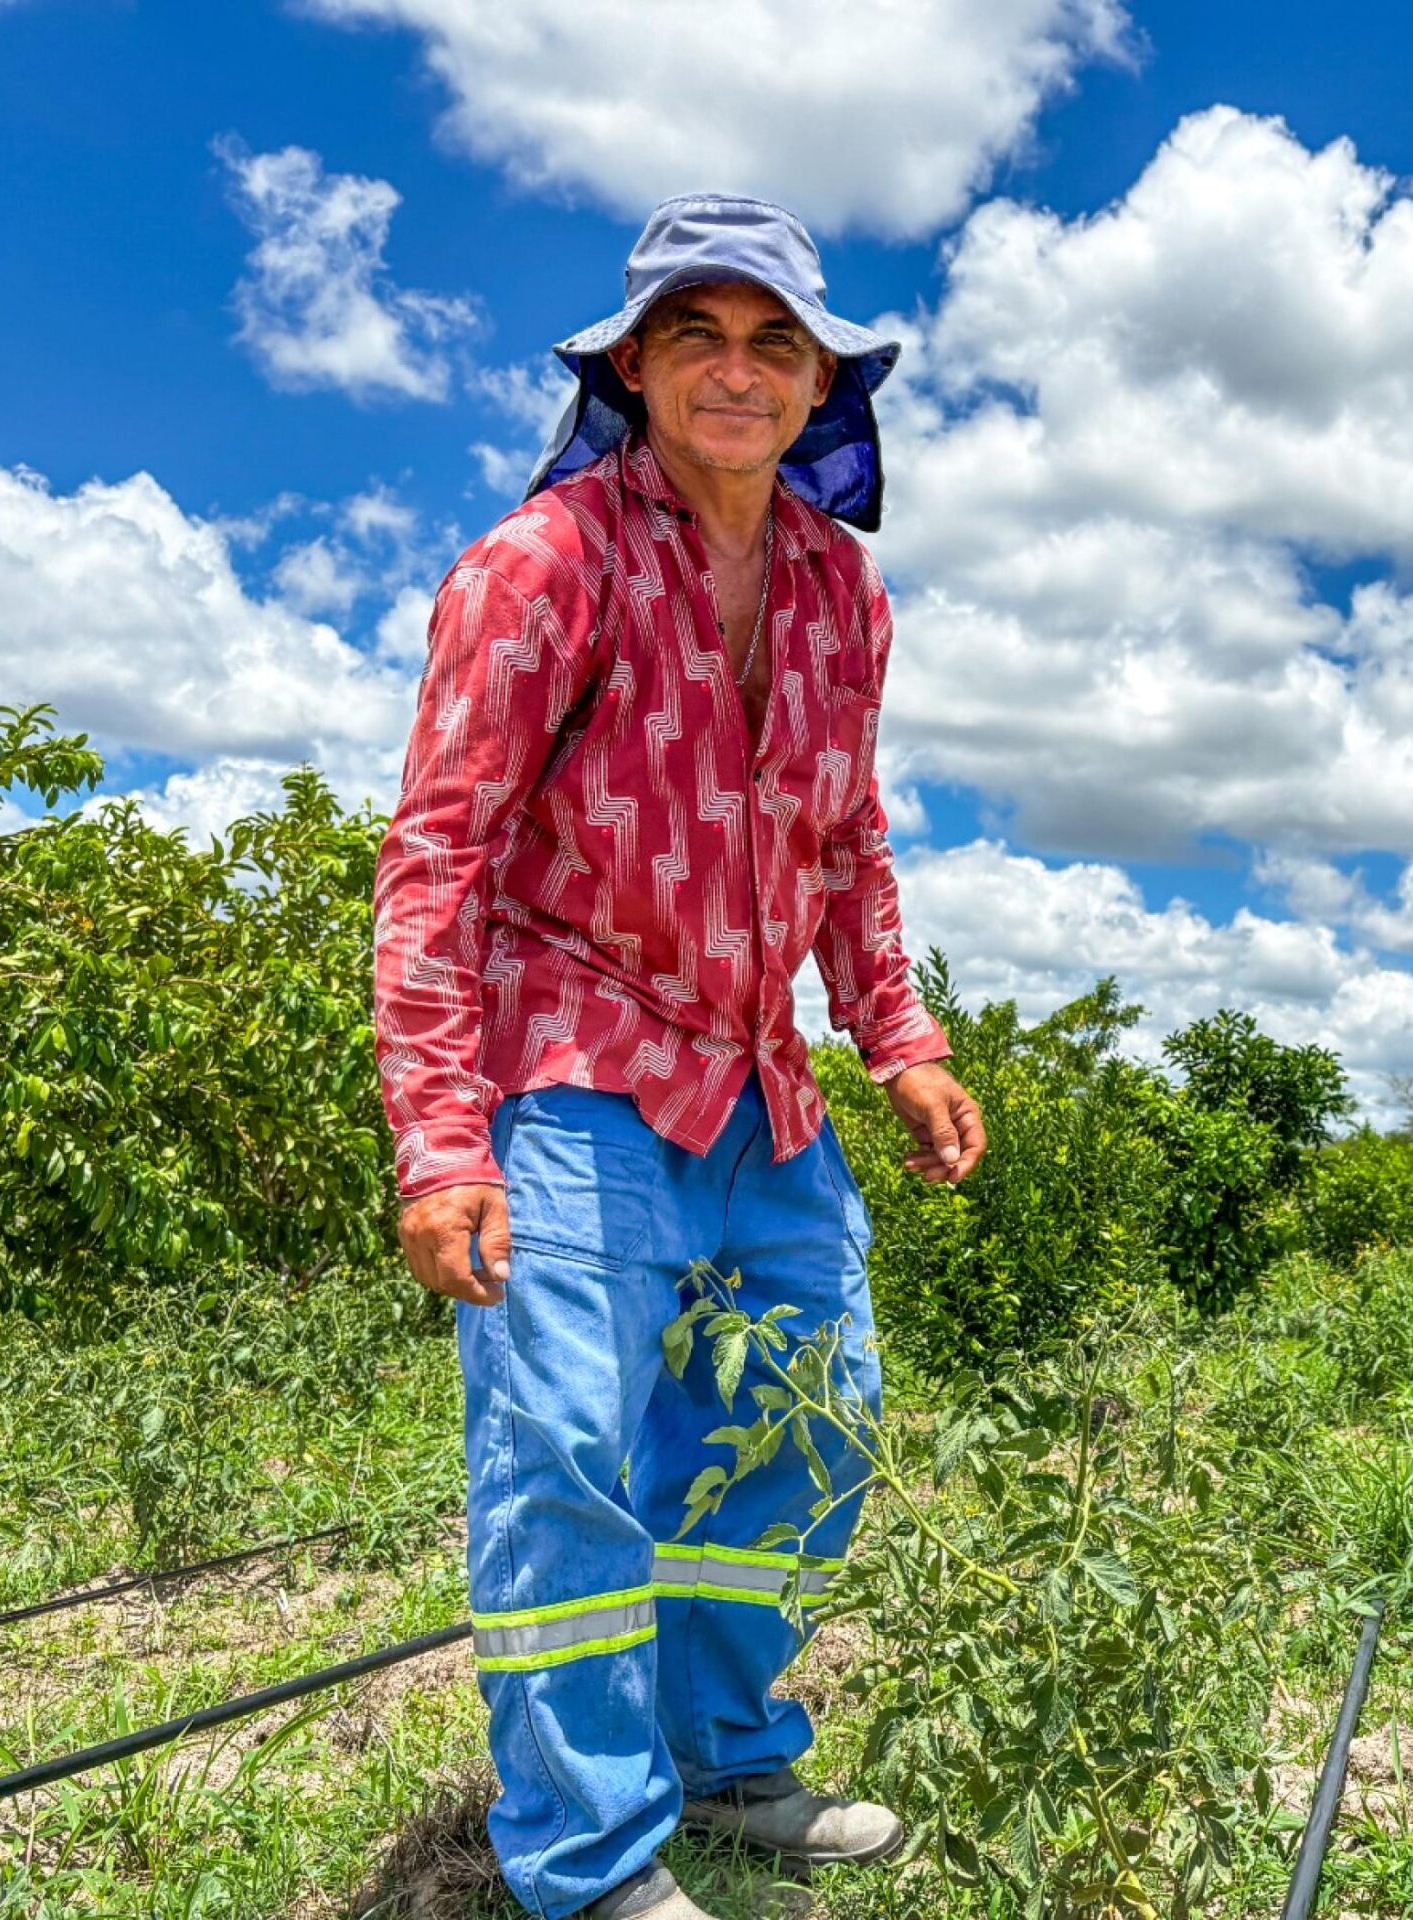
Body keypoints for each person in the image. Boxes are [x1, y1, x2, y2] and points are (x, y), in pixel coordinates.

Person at [372, 194, 986, 1920]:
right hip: (572, 1066)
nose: (736, 371)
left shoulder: (840, 587)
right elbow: (439, 862)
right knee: (565, 1455)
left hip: (758, 1081)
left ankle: (725, 1762)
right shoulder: (539, 568)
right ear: (634, 365)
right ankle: (588, 1857)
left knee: (801, 1416)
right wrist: (440, 1140)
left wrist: (901, 1038)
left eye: (773, 341)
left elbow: (845, 839)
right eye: (697, 337)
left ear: (815, 386)